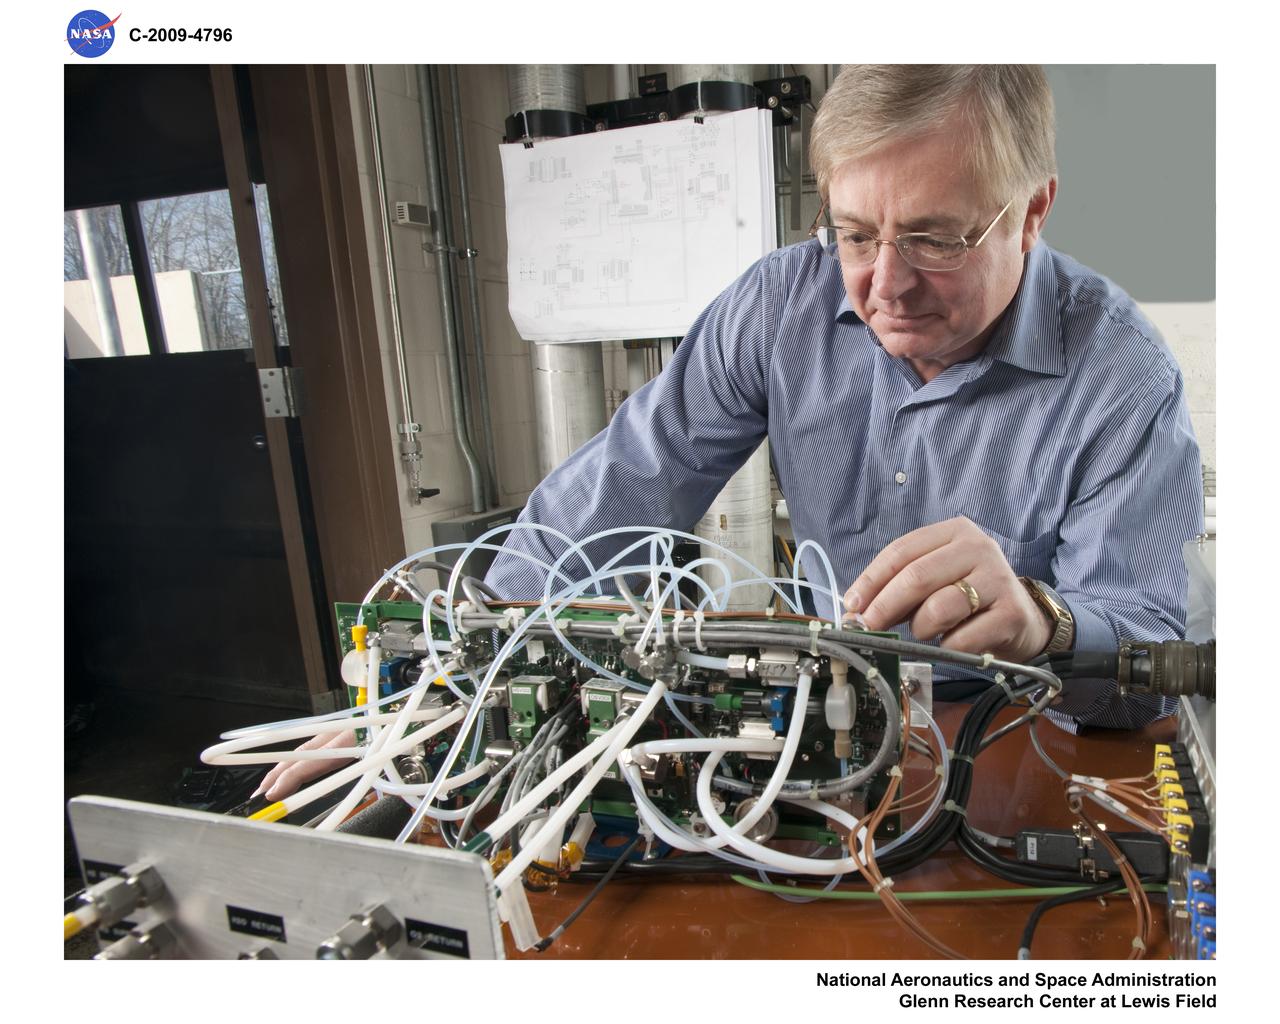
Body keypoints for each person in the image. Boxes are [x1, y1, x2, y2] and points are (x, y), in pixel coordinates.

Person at [486, 64, 1204, 731]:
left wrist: (1047, 623)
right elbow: (629, 480)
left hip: (1013, 734)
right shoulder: (779, 306)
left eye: (932, 240)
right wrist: (482, 641)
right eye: (856, 235)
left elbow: (1149, 671)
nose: (884, 286)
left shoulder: (1123, 377)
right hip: (816, 714)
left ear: (1033, 210)